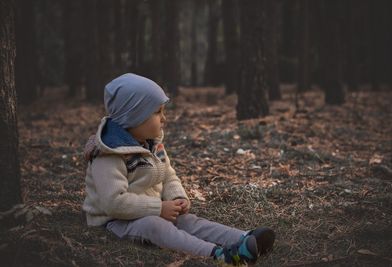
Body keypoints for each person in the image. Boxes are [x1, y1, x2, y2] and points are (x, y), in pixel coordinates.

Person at [82, 73, 275, 265]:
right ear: (134, 117)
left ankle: (244, 239)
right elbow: (113, 203)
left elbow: (167, 175)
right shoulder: (109, 153)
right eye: (157, 112)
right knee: (155, 226)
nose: (164, 118)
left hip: (150, 210)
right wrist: (158, 209)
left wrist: (176, 197)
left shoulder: (151, 143)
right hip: (115, 221)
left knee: (187, 221)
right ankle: (219, 255)